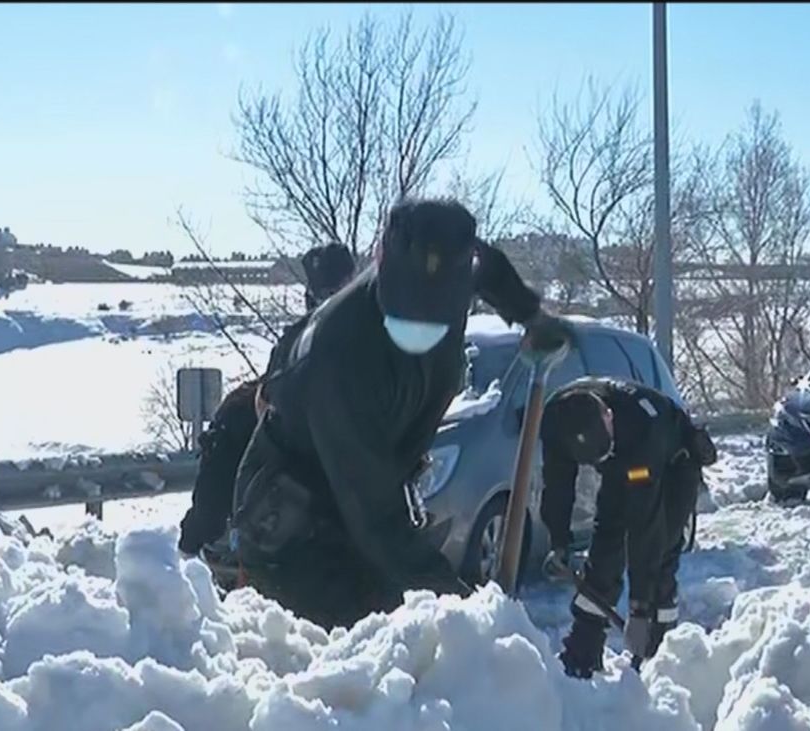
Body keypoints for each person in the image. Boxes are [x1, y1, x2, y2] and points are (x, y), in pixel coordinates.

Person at [228, 198, 572, 629]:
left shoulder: (452, 263)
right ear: (381, 261)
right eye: (409, 315)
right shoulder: (339, 357)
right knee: (360, 655)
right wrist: (461, 610)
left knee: (414, 630)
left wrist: (531, 317)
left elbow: (489, 267)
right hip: (295, 524)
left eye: (435, 318)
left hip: (375, 490)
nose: (420, 329)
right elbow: (376, 518)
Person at [178, 242, 356, 562]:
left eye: (337, 289)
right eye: (326, 291)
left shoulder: (365, 334)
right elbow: (275, 393)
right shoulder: (301, 339)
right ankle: (196, 555)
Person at [538, 376, 716, 677]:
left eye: (604, 452)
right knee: (605, 546)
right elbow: (557, 486)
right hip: (625, 463)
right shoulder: (557, 420)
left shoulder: (642, 429)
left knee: (660, 553)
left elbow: (643, 529)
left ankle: (659, 652)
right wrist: (559, 542)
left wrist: (639, 610)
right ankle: (583, 649)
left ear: (609, 416)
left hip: (674, 463)